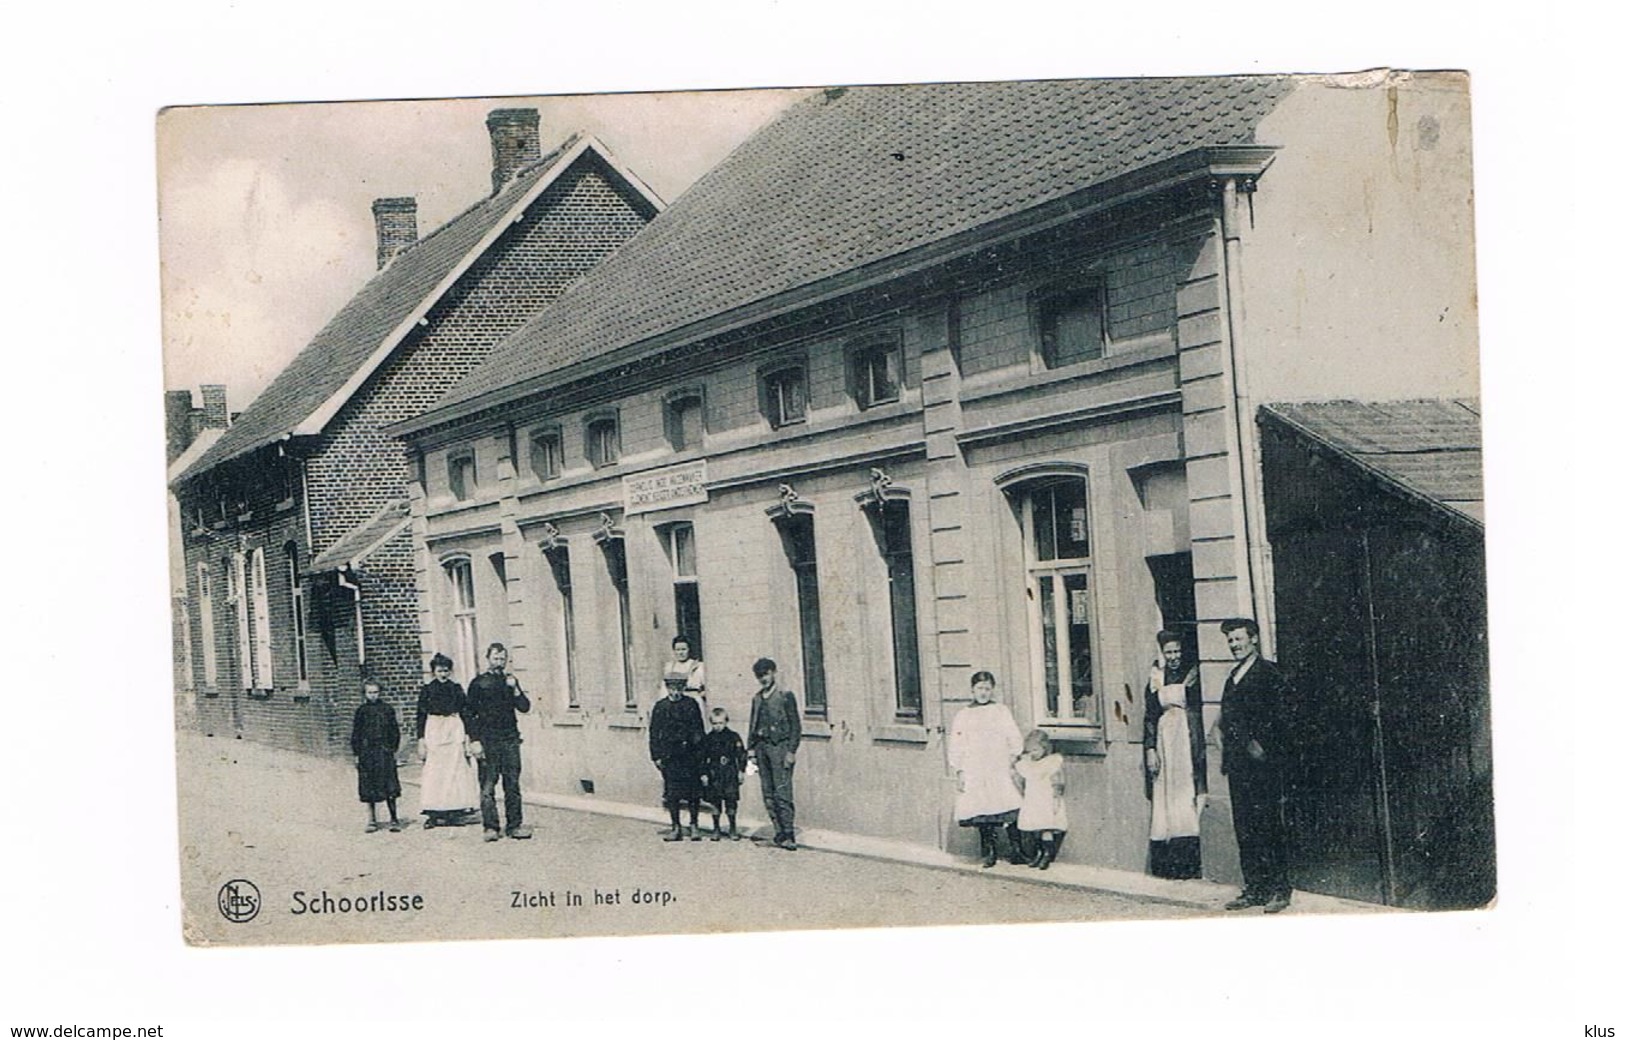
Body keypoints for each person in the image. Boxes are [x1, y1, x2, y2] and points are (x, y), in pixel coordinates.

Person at [1217, 618, 1294, 912]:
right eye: (1231, 641)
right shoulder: (1232, 677)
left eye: (1239, 639)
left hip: (1263, 766)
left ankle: (1279, 889)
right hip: (1238, 766)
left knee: (1269, 825)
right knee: (1245, 827)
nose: (1235, 645)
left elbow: (1282, 719)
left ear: (1254, 640)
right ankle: (1255, 888)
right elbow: (1227, 719)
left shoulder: (1268, 674)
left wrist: (1263, 747)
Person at [1142, 630, 1208, 879]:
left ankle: (1189, 863)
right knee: (1165, 796)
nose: (1173, 657)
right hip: (1164, 740)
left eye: (1177, 651)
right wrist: (1150, 750)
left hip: (1187, 738)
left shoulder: (1193, 673)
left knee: (1186, 795)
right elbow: (1149, 716)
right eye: (1169, 652)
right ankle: (1167, 864)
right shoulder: (1156, 676)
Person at [949, 671, 1024, 868]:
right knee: (982, 810)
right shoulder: (963, 715)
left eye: (987, 689)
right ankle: (989, 851)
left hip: (998, 765)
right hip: (976, 767)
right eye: (980, 688)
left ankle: (1016, 851)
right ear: (972, 690)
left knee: (1009, 805)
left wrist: (1013, 756)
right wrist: (960, 771)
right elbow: (957, 744)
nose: (984, 693)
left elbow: (1013, 735)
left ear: (993, 690)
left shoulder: (1000, 711)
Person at [464, 643, 532, 842]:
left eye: (502, 659)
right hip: (487, 741)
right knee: (487, 786)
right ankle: (491, 827)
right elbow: (468, 715)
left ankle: (514, 826)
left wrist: (516, 690)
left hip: (510, 739)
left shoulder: (510, 681)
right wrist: (474, 741)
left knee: (512, 785)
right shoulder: (478, 683)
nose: (499, 662)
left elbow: (525, 707)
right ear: (488, 658)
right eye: (495, 658)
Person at [415, 652, 478, 829]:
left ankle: (454, 810)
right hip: (434, 729)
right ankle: (434, 812)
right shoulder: (427, 690)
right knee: (436, 770)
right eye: (440, 671)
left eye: (446, 671)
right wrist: (421, 740)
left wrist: (468, 736)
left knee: (454, 769)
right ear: (433, 672)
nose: (443, 674)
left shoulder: (456, 689)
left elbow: (466, 713)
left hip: (453, 727)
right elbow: (420, 716)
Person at [747, 658, 801, 850]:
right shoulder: (757, 698)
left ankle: (789, 834)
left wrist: (791, 751)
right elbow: (752, 725)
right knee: (768, 793)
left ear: (773, 673)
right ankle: (778, 832)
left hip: (780, 748)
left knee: (782, 792)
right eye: (759, 675)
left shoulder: (785, 696)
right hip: (762, 748)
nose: (763, 678)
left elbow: (796, 726)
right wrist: (751, 750)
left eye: (766, 674)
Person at [649, 663, 707, 841]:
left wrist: (700, 755)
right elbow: (654, 734)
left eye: (679, 688)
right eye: (672, 688)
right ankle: (675, 827)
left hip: (689, 755)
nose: (676, 692)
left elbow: (699, 730)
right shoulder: (660, 707)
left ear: (683, 688)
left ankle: (694, 825)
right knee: (672, 793)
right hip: (670, 756)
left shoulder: (691, 705)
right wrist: (656, 757)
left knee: (693, 792)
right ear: (667, 688)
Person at [350, 679, 402, 833]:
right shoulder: (361, 711)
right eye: (370, 692)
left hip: (384, 751)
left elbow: (394, 731)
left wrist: (392, 748)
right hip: (367, 752)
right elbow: (356, 734)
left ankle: (394, 818)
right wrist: (357, 753)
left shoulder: (387, 709)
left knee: (389, 786)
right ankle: (372, 819)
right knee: (369, 786)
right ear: (365, 694)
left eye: (376, 692)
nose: (373, 695)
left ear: (380, 693)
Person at [1014, 729, 1067, 870]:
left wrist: (1056, 798)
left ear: (1045, 748)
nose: (1033, 753)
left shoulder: (1051, 762)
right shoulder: (1028, 765)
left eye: (1036, 750)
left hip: (1046, 799)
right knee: (1034, 828)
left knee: (1046, 829)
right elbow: (1020, 778)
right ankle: (1038, 853)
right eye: (1030, 750)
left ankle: (1047, 854)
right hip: (1033, 799)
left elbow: (1058, 782)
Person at [700, 706, 747, 841]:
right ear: (711, 723)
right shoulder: (708, 739)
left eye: (721, 723)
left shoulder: (733, 737)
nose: (718, 726)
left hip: (729, 772)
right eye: (715, 723)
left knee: (731, 801)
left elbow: (741, 755)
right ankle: (716, 829)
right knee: (715, 802)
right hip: (714, 773)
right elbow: (702, 758)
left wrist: (741, 771)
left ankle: (732, 828)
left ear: (726, 722)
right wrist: (704, 774)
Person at [657, 635, 708, 715]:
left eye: (683, 649)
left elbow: (707, 688)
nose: (681, 653)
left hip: (693, 704)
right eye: (677, 650)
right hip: (674, 704)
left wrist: (699, 695)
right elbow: (664, 689)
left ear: (689, 650)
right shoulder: (669, 667)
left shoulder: (698, 666)